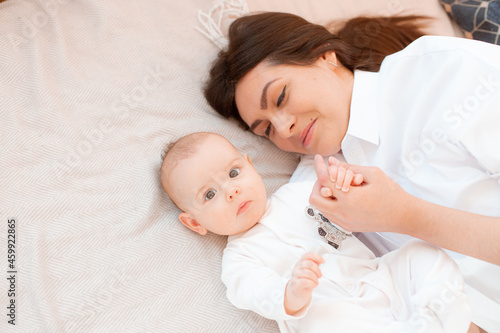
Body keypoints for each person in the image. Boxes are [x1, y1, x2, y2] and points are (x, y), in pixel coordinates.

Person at [203, 12, 500, 330]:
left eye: (281, 97)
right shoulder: (305, 198)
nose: (284, 127)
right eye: (266, 131)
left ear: (325, 56)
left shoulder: (439, 74)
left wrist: (404, 215)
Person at [160, 131, 477, 333]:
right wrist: (290, 293)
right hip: (338, 316)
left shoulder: (298, 194)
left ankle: (438, 319)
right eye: (209, 195)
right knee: (322, 319)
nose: (230, 191)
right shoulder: (239, 259)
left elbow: (349, 211)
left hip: (382, 277)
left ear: (249, 165)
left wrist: (342, 185)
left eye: (232, 173)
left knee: (420, 255)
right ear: (195, 223)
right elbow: (253, 291)